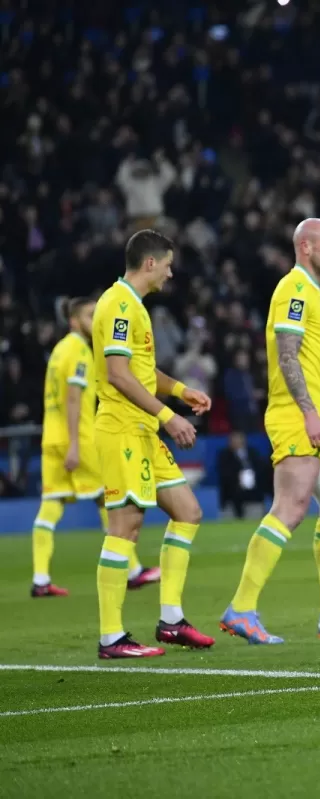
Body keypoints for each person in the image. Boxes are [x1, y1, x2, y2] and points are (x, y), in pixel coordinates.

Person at [220, 218, 320, 644]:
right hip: (297, 415)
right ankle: (241, 607)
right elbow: (286, 355)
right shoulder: (293, 288)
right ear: (306, 247)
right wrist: (309, 414)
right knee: (289, 509)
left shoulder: (312, 292)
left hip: (317, 416)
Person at [92, 230, 215, 658]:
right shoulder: (118, 304)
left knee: (188, 511)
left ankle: (172, 621)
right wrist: (169, 416)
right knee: (125, 525)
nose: (170, 270)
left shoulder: (135, 307)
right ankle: (111, 638)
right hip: (123, 429)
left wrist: (181, 391)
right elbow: (118, 374)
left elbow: (142, 371)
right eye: (167, 263)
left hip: (143, 430)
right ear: (149, 263)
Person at [33, 296, 161, 597]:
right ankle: (132, 570)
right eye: (90, 316)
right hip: (77, 438)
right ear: (75, 321)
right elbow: (75, 399)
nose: (95, 321)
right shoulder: (79, 351)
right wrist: (76, 445)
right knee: (110, 499)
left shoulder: (58, 351)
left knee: (50, 506)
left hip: (51, 437)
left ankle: (40, 579)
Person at [217, 430, 269, 519]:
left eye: (238, 439)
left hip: (253, 496)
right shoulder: (224, 455)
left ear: (243, 440)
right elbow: (224, 475)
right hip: (232, 497)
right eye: (233, 440)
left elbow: (262, 471)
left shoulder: (253, 453)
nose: (236, 442)